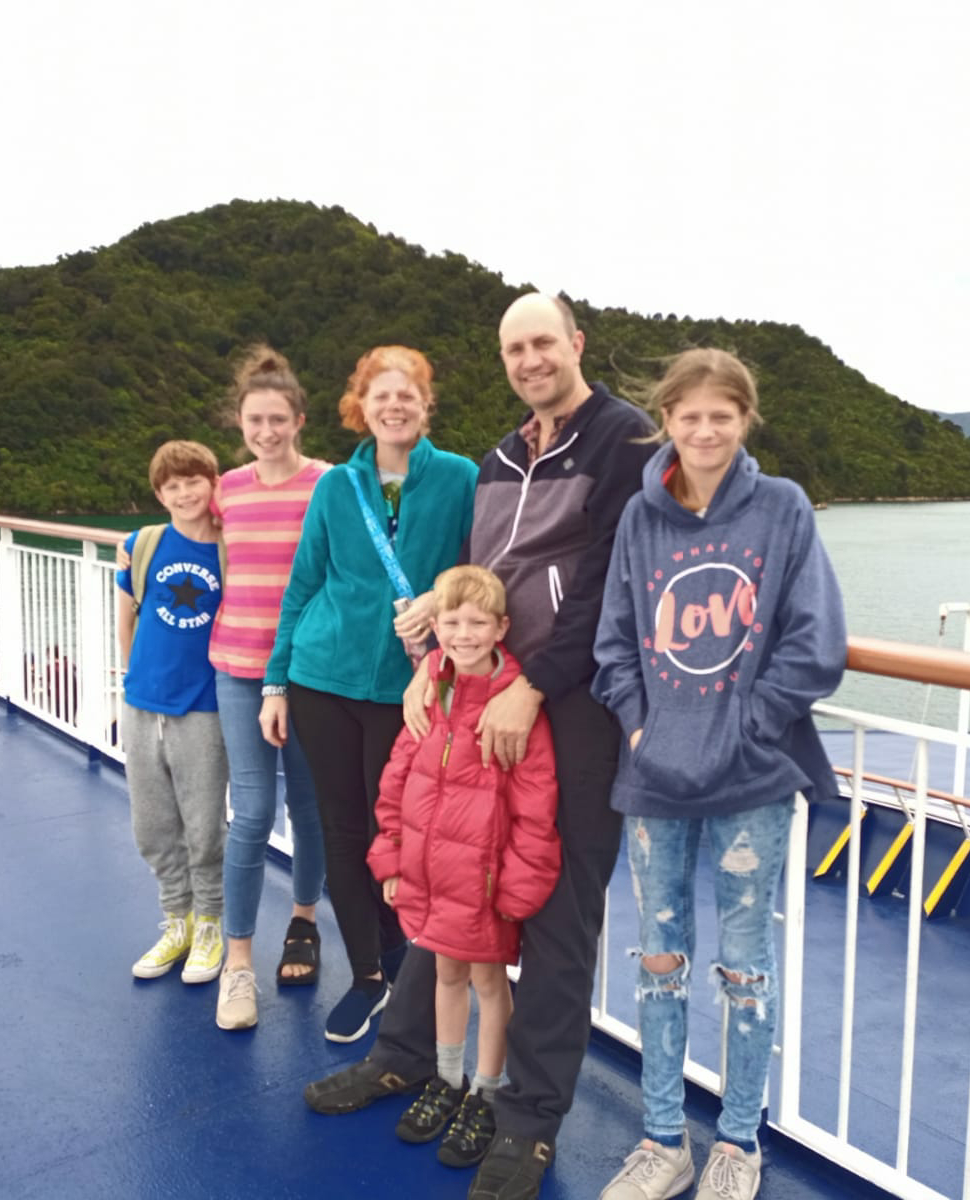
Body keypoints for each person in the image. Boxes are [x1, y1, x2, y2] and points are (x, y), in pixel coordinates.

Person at [303, 293, 656, 1200]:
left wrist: (534, 687)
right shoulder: (502, 455)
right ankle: (406, 1054)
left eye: (543, 342)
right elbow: (480, 576)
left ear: (575, 344)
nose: (529, 359)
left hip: (571, 703)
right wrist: (436, 660)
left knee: (559, 910)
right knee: (453, 880)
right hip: (483, 688)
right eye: (513, 348)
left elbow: (610, 584)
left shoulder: (625, 440)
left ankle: (527, 1116)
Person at [591, 349, 847, 1200]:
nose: (704, 431)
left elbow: (815, 640)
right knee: (658, 960)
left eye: (721, 416)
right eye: (689, 416)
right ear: (665, 420)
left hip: (750, 776)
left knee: (744, 965)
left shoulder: (781, 508)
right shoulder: (640, 517)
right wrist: (638, 725)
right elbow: (613, 641)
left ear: (745, 420)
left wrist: (750, 724)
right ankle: (663, 1140)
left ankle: (737, 1141)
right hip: (655, 773)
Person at [261, 345, 478, 1043]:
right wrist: (275, 681)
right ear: (361, 407)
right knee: (342, 828)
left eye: (406, 394)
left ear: (425, 403)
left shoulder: (460, 479)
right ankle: (368, 975)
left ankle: (406, 957)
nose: (394, 406)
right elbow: (304, 582)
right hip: (321, 678)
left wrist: (440, 599)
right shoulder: (335, 486)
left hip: (407, 689)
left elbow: (481, 571)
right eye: (380, 396)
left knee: (405, 829)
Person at [366, 565, 562, 1170]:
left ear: (502, 628)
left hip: (483, 883)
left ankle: (487, 1091)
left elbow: (536, 803)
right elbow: (398, 778)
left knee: (488, 982)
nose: (463, 634)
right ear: (436, 626)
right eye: (451, 622)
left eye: (478, 623)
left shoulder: (514, 707)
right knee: (446, 974)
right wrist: (391, 858)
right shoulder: (431, 691)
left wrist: (519, 886)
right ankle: (448, 1079)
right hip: (432, 876)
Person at [207, 347, 332, 1031]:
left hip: (308, 672)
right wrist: (136, 550)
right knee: (252, 813)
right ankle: (238, 964)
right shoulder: (226, 488)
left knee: (308, 808)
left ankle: (304, 924)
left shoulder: (327, 484)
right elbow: (193, 537)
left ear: (298, 421)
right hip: (235, 665)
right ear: (241, 422)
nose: (266, 430)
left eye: (277, 419)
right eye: (254, 420)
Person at [114, 440, 229, 985]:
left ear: (214, 483)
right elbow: (126, 620)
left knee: (204, 827)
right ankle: (177, 921)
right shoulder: (143, 545)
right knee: (152, 825)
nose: (184, 493)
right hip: (142, 703)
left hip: (204, 706)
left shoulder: (231, 549)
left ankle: (209, 925)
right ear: (160, 495)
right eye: (172, 486)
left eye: (193, 481)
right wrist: (132, 681)